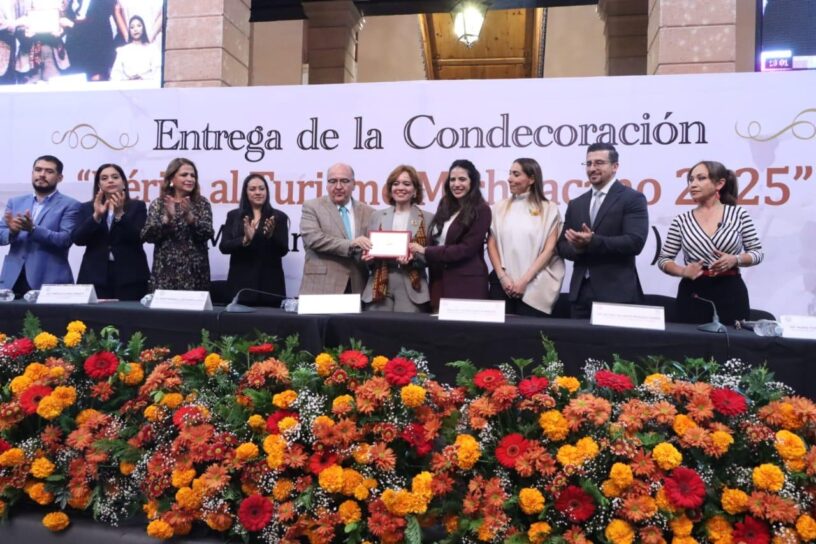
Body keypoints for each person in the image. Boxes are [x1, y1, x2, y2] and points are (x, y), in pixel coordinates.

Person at [657, 160, 764, 325]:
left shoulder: (739, 215)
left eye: (701, 178)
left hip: (731, 292)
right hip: (693, 294)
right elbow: (664, 259)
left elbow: (757, 252)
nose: (693, 184)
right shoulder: (681, 220)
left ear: (719, 184)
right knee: (690, 339)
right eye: (691, 180)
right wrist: (682, 271)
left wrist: (736, 259)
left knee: (733, 339)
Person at [557, 143, 649, 318]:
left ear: (615, 166)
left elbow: (635, 242)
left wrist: (593, 241)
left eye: (599, 163)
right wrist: (578, 247)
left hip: (617, 294)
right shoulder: (576, 204)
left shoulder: (632, 198)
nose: (592, 168)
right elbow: (562, 246)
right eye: (589, 163)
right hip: (580, 294)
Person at [410, 159, 490, 311]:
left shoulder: (482, 210)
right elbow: (435, 239)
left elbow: (466, 249)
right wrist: (412, 253)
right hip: (439, 282)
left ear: (473, 182)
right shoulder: (445, 204)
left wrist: (426, 250)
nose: (456, 184)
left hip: (467, 286)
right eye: (452, 179)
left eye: (462, 179)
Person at [487, 158, 565, 316]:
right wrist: (502, 277)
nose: (509, 179)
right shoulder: (499, 207)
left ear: (532, 179)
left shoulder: (549, 208)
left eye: (516, 174)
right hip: (502, 285)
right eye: (510, 174)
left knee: (530, 332)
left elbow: (549, 249)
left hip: (536, 286)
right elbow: (491, 244)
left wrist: (524, 281)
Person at [0, 155, 80, 295]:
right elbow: (1, 234)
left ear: (60, 178)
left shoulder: (71, 205)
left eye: (49, 171)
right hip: (12, 279)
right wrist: (12, 232)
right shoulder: (15, 202)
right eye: (38, 170)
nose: (42, 174)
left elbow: (65, 240)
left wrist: (33, 229)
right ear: (32, 173)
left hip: (48, 280)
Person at [71, 163, 149, 300]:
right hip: (95, 276)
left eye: (115, 177)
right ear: (99, 185)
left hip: (130, 276)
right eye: (104, 178)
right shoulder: (87, 208)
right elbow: (78, 239)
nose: (110, 181)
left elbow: (140, 237)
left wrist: (120, 215)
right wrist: (96, 216)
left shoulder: (137, 206)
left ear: (123, 183)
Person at [362, 165, 433, 313]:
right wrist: (368, 258)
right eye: (396, 183)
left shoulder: (428, 218)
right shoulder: (376, 216)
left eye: (406, 184)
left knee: (406, 327)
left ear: (415, 190)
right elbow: (369, 252)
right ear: (390, 189)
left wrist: (413, 258)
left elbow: (432, 257)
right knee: (376, 326)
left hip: (412, 285)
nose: (400, 188)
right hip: (379, 283)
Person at [299, 162, 374, 295]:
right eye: (333, 181)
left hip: (357, 285)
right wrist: (352, 244)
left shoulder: (369, 212)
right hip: (321, 286)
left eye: (344, 181)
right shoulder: (312, 207)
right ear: (327, 185)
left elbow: (373, 247)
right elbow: (314, 239)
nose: (338, 186)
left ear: (354, 184)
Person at [141, 157, 213, 292]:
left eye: (193, 175)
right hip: (165, 274)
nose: (190, 179)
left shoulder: (201, 203)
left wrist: (191, 218)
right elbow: (148, 236)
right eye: (184, 175)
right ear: (171, 179)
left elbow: (207, 233)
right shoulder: (159, 204)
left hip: (195, 274)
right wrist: (167, 219)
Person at [219, 173, 290, 305]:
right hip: (240, 285)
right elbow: (224, 247)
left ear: (267, 191)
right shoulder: (234, 216)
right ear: (245, 192)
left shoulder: (279, 217)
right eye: (252, 189)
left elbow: (283, 250)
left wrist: (270, 237)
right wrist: (244, 240)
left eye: (261, 189)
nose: (258, 192)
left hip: (270, 287)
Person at [64, 0, 118, 81]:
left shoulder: (102, 2)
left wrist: (71, 24)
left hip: (96, 57)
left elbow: (98, 27)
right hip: (76, 58)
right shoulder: (73, 3)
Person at [109, 15, 160, 81]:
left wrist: (144, 79)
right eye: (132, 27)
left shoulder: (152, 49)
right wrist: (128, 80)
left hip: (148, 85)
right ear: (129, 31)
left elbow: (158, 72)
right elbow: (116, 74)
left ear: (143, 28)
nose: (135, 29)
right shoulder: (123, 51)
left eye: (139, 26)